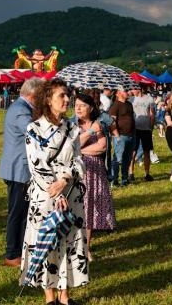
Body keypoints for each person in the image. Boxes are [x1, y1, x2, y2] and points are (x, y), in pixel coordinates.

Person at [21, 79, 88, 305]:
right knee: (47, 242)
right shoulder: (34, 129)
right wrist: (56, 191)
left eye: (68, 95)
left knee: (69, 243)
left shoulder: (72, 128)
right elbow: (36, 166)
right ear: (48, 100)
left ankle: (65, 296)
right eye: (62, 95)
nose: (67, 100)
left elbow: (80, 161)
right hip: (46, 197)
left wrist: (65, 178)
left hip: (71, 195)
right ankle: (49, 296)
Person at [0, 77, 43, 267]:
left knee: (23, 211)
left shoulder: (22, 108)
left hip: (20, 168)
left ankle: (20, 250)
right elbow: (34, 132)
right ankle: (12, 253)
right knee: (17, 212)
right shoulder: (20, 110)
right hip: (19, 169)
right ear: (34, 94)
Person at [74, 92, 115, 262]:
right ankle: (73, 246)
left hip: (95, 172)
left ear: (91, 108)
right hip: (76, 172)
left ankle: (86, 248)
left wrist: (79, 150)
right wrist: (89, 133)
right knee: (76, 209)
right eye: (76, 104)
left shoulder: (100, 124)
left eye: (82, 105)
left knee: (90, 209)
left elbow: (102, 147)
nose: (78, 108)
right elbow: (72, 145)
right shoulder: (71, 124)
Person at [109, 86, 135, 186]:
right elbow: (112, 122)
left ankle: (124, 179)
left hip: (131, 135)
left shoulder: (129, 104)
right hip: (120, 136)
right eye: (125, 91)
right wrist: (117, 136)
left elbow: (132, 118)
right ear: (118, 93)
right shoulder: (115, 105)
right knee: (117, 159)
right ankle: (114, 179)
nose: (127, 92)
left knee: (127, 158)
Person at [129, 86, 156, 182]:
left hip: (146, 129)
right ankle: (130, 173)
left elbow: (152, 114)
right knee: (133, 151)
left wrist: (151, 128)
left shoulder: (149, 99)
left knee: (146, 152)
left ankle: (147, 174)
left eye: (133, 88)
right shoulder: (131, 99)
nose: (131, 90)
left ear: (139, 89)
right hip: (135, 129)